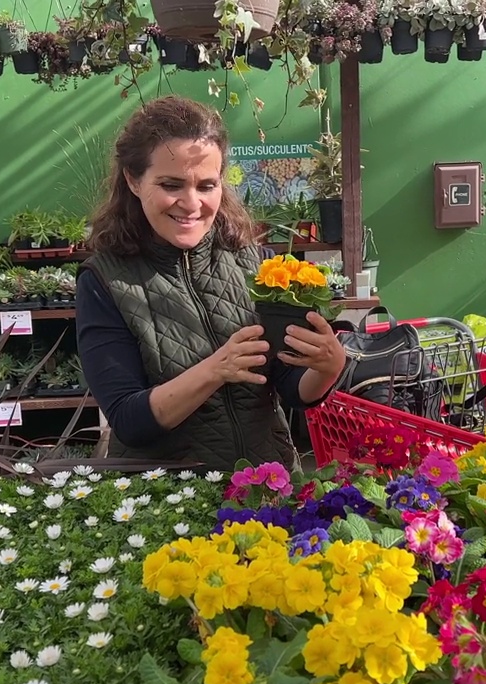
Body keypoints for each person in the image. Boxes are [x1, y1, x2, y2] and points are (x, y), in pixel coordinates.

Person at [76, 96, 347, 472]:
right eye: (171, 184)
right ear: (133, 180)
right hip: (174, 503)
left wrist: (327, 367)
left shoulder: (254, 262)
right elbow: (128, 419)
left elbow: (288, 383)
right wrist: (215, 370)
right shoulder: (105, 280)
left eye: (207, 185)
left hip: (267, 489)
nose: (192, 203)